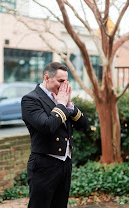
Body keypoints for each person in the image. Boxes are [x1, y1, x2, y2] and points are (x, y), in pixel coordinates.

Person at [21, 62, 89, 207]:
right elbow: (47, 126)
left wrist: (69, 105)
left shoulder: (63, 100)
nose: (64, 85)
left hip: (65, 163)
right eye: (61, 81)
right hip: (44, 164)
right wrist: (61, 105)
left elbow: (84, 126)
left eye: (66, 81)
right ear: (47, 77)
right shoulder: (31, 99)